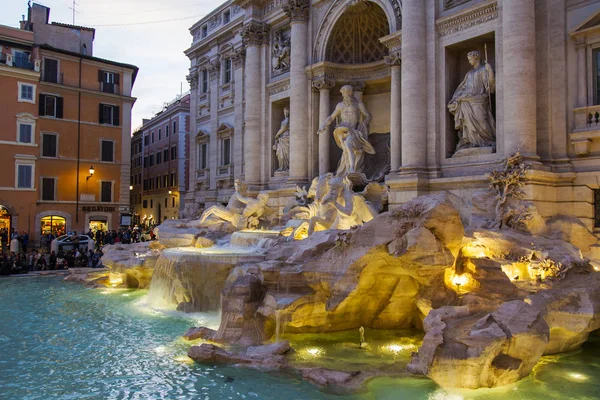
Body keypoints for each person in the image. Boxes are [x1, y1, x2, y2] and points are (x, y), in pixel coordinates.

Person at [317, 85, 375, 176]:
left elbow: (368, 116)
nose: (346, 95)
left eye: (348, 92)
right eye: (344, 93)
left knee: (348, 145)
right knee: (347, 149)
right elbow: (331, 117)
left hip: (353, 131)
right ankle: (350, 169)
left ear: (351, 93)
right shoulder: (340, 105)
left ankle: (351, 169)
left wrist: (362, 125)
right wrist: (323, 125)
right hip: (342, 131)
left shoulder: (359, 104)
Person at [447, 50, 496, 152]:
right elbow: (462, 88)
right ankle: (472, 142)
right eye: (468, 60)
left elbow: (490, 86)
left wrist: (490, 70)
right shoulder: (469, 74)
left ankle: (488, 140)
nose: (469, 62)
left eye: (470, 59)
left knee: (481, 120)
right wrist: (457, 98)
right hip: (467, 101)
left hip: (479, 100)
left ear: (476, 58)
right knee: (467, 123)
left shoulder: (483, 70)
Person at [273, 107, 290, 172]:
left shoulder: (288, 120)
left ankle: (286, 167)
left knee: (286, 154)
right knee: (279, 154)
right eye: (284, 111)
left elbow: (284, 127)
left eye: (287, 111)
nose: (286, 113)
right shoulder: (283, 121)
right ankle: (282, 167)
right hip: (281, 139)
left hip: (286, 138)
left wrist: (277, 135)